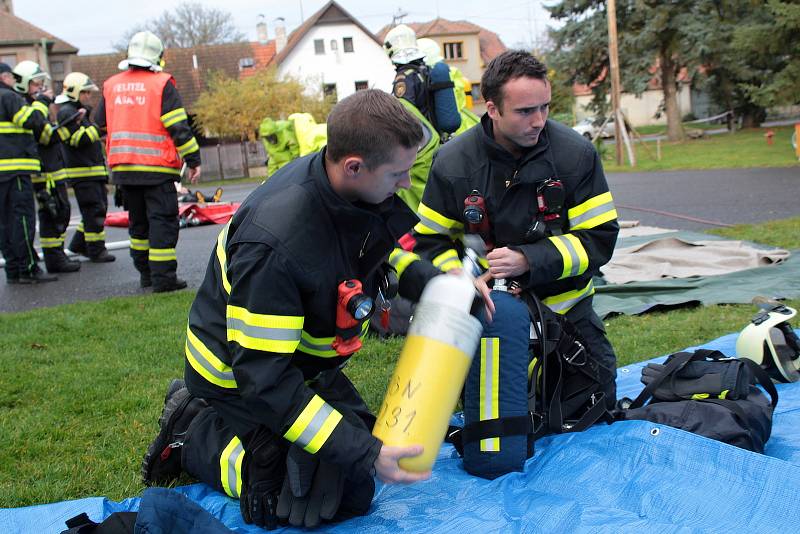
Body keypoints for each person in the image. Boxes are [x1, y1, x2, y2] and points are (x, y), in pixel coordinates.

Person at [141, 89, 440, 530]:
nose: (404, 184)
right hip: (239, 381)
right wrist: (364, 452)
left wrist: (434, 282)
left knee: (351, 480)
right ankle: (192, 431)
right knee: (308, 495)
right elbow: (265, 381)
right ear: (354, 166)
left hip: (300, 369)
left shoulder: (344, 186)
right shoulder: (276, 245)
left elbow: (370, 248)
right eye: (398, 173)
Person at [410, 50, 619, 404]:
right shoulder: (453, 163)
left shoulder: (575, 155)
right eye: (525, 111)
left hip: (564, 311)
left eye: (545, 107)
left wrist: (529, 259)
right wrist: (464, 281)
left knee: (594, 405)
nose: (538, 121)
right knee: (494, 420)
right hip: (489, 314)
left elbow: (600, 240)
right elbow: (429, 241)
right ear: (492, 109)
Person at [95, 31, 201, 292]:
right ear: (159, 57)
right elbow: (178, 127)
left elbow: (98, 124)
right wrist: (194, 159)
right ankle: (164, 279)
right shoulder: (161, 84)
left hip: (124, 170)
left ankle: (146, 275)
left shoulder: (111, 85)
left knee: (138, 224)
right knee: (162, 222)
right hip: (157, 170)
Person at [0, 61, 58, 284]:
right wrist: (42, 102)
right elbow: (31, 120)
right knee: (21, 220)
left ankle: (13, 270)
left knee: (5, 223)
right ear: (5, 77)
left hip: (4, 174)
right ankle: (28, 268)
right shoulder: (9, 97)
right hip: (15, 170)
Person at [56, 72, 115, 264]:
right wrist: (96, 128)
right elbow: (76, 139)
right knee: (94, 210)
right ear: (74, 92)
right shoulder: (66, 112)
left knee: (97, 210)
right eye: (85, 92)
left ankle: (79, 244)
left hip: (92, 173)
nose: (88, 96)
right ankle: (96, 250)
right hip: (83, 173)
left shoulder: (78, 111)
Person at [32, 72, 80, 274]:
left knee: (59, 214)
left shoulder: (35, 109)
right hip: (47, 176)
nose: (43, 90)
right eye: (38, 85)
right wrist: (43, 101)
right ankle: (54, 259)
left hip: (53, 174)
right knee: (52, 216)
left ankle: (57, 255)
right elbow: (45, 137)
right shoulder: (33, 109)